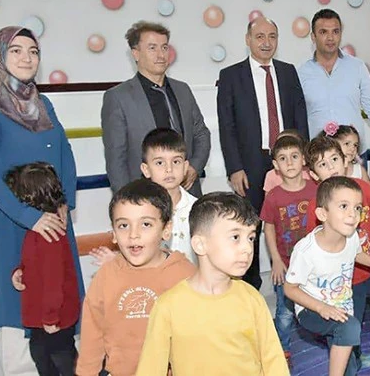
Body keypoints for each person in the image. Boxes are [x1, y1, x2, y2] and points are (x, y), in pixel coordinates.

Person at [0, 26, 84, 375]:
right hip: (9, 224)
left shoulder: (42, 104)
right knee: (18, 311)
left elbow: (65, 153)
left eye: (33, 51)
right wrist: (29, 217)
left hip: (54, 220)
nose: (26, 58)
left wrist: (65, 202)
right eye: (16, 50)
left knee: (62, 310)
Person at [136, 192, 289, 375]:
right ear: (200, 245)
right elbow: (151, 369)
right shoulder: (168, 306)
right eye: (235, 237)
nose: (247, 248)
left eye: (250, 238)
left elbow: (274, 361)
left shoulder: (252, 299)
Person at [217, 16, 309, 291]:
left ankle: (299, 279)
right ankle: (250, 286)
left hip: (289, 160)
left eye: (272, 36)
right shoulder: (231, 76)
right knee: (250, 225)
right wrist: (234, 167)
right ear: (248, 40)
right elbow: (227, 126)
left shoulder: (288, 72)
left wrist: (303, 159)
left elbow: (300, 116)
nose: (266, 42)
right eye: (260, 36)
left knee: (294, 220)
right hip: (251, 162)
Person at [76, 180, 196, 376]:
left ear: (166, 230)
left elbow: (199, 336)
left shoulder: (185, 275)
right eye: (123, 225)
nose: (133, 234)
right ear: (113, 233)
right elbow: (92, 332)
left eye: (146, 224)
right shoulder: (107, 275)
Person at [284, 176, 370, 376]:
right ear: (322, 213)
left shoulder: (352, 236)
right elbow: (289, 288)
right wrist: (321, 307)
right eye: (344, 206)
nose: (353, 214)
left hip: (341, 308)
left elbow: (356, 254)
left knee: (350, 364)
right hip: (311, 309)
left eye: (357, 208)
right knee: (350, 327)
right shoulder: (306, 251)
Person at [304, 136, 370, 369]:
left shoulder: (363, 187)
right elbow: (314, 244)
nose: (331, 167)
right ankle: (354, 359)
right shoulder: (317, 205)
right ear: (313, 174)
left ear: (345, 161)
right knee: (351, 323)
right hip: (347, 279)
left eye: (335, 159)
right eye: (323, 164)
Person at [102, 20, 211, 197]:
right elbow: (116, 159)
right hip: (144, 195)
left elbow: (201, 134)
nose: (161, 55)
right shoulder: (118, 97)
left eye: (164, 47)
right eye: (152, 48)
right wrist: (128, 201)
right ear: (136, 53)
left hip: (188, 191)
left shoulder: (183, 90)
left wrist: (193, 168)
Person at [5, 162, 80, 376]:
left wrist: (50, 317)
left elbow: (54, 282)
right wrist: (20, 272)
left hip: (55, 317)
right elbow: (33, 263)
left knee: (62, 359)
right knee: (40, 353)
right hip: (43, 317)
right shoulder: (37, 230)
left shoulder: (49, 235)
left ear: (28, 198)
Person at [90, 128, 199, 265]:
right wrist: (117, 262)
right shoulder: (135, 210)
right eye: (160, 163)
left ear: (185, 167)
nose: (169, 169)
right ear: (146, 170)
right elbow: (134, 246)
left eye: (176, 161)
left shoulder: (198, 209)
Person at [259, 135, 317, 361]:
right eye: (283, 158)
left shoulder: (316, 189)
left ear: (304, 159)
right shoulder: (274, 196)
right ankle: (281, 350)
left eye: (294, 156)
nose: (290, 162)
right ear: (276, 165)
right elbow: (268, 228)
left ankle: (330, 342)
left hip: (315, 263)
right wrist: (275, 259)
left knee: (319, 302)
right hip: (286, 263)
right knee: (284, 312)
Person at [298, 8, 370, 139]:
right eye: (323, 32)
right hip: (319, 149)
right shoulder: (301, 73)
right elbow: (297, 116)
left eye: (335, 31)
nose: (330, 38)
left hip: (354, 148)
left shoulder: (357, 67)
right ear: (313, 37)